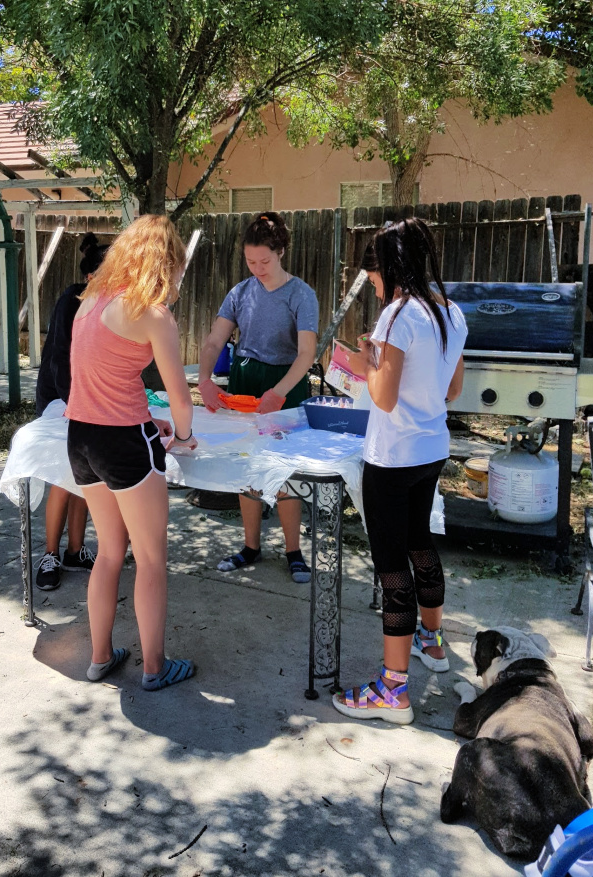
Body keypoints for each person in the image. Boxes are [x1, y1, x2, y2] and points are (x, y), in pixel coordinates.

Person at [332, 218, 468, 725]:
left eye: (374, 278)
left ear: (389, 267)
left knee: (392, 565)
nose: (374, 284)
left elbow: (383, 397)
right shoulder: (451, 313)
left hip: (391, 457)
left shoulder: (395, 317)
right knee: (420, 543)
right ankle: (431, 643)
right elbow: (453, 390)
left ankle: (392, 690)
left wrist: (366, 360)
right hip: (431, 447)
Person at [65, 215, 198, 690]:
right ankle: (155, 667)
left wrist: (151, 418)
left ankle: (100, 657)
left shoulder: (89, 303)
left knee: (108, 553)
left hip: (80, 436)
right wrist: (181, 433)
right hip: (123, 441)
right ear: (166, 264)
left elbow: (105, 378)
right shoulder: (153, 313)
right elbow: (182, 401)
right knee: (151, 558)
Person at [198, 212, 318, 584]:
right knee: (247, 466)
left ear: (280, 252)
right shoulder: (240, 292)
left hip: (287, 384)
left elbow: (306, 355)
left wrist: (279, 392)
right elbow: (215, 340)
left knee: (285, 472)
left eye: (264, 261)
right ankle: (250, 546)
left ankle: (294, 551)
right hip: (245, 382)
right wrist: (203, 379)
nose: (258, 268)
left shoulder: (301, 293)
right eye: (251, 262)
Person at [34, 233, 107, 591]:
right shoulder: (70, 302)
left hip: (88, 400)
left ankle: (75, 550)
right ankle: (50, 552)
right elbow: (60, 362)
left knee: (85, 477)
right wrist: (74, 404)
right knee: (63, 476)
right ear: (92, 276)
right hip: (59, 400)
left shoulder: (109, 306)